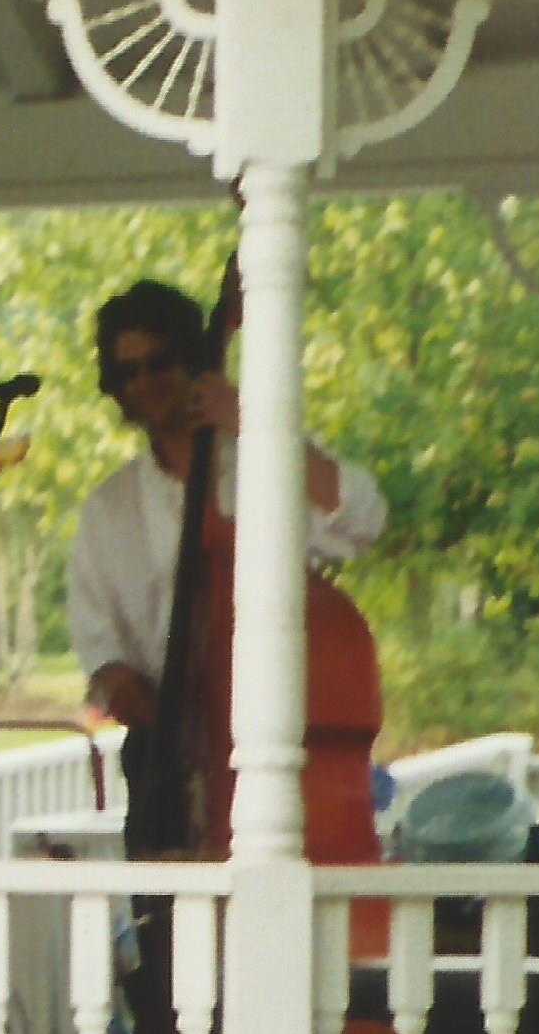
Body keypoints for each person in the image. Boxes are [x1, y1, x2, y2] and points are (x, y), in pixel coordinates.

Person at [66, 275, 383, 747]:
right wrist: (145, 705)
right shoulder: (107, 511)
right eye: (128, 373)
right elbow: (101, 653)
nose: (145, 383)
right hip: (163, 750)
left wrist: (257, 422)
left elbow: (364, 520)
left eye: (159, 363)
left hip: (279, 730)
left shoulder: (267, 460)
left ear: (194, 362)